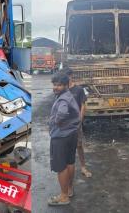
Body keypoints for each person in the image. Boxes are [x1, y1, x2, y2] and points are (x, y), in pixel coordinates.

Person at [47, 72, 80, 206]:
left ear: (66, 85)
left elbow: (61, 113)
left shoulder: (62, 100)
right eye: (54, 85)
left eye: (59, 85)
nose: (55, 87)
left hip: (61, 136)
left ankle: (64, 196)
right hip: (72, 134)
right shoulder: (68, 95)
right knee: (70, 162)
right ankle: (69, 189)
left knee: (61, 167)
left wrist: (56, 122)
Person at [63, 68, 92, 178]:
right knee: (66, 146)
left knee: (79, 146)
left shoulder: (79, 89)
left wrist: (80, 120)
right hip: (65, 123)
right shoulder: (62, 90)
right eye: (65, 76)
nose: (67, 78)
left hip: (76, 122)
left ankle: (83, 167)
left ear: (71, 76)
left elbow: (83, 105)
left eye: (68, 76)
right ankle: (67, 168)